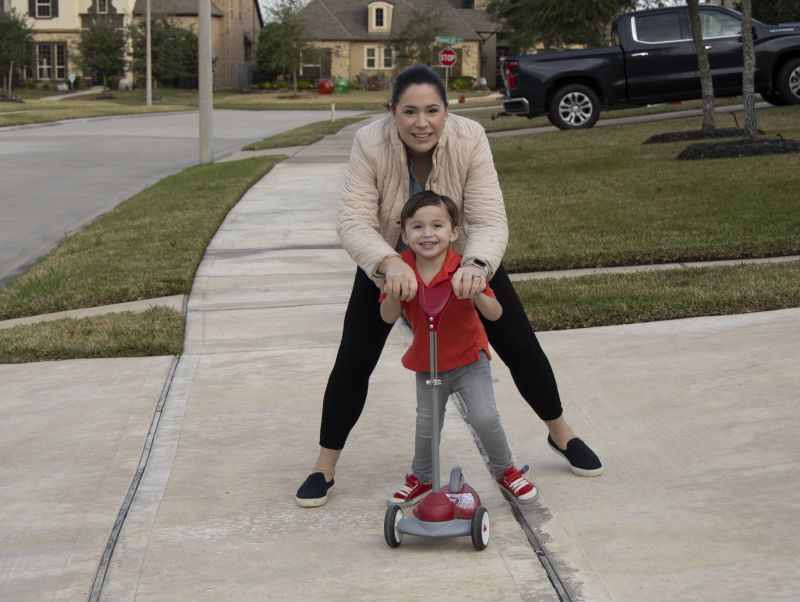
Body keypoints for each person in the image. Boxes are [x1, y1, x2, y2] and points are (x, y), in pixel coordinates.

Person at [295, 64, 602, 508]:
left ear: (445, 110)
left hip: (461, 262)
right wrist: (385, 262)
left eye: (432, 110)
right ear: (392, 112)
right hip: (392, 265)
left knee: (519, 343)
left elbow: (490, 217)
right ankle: (324, 466)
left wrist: (476, 265)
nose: (422, 122)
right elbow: (354, 220)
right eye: (410, 112)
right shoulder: (369, 142)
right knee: (354, 357)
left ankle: (562, 434)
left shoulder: (470, 137)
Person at [381, 191, 537, 505]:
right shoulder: (402, 270)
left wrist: (478, 292)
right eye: (418, 227)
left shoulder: (462, 268)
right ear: (404, 234)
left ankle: (506, 470)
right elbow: (386, 316)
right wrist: (395, 292)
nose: (428, 234)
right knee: (427, 424)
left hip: (469, 359)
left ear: (454, 232)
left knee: (484, 417)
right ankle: (422, 478)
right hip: (428, 363)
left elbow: (496, 313)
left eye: (437, 226)